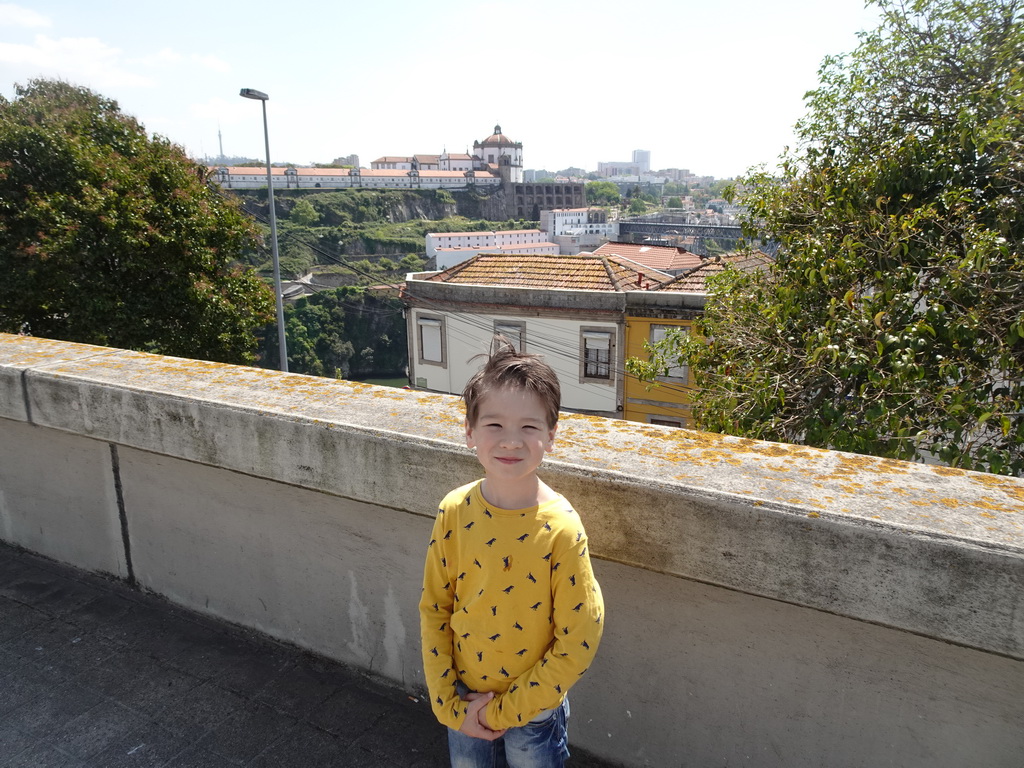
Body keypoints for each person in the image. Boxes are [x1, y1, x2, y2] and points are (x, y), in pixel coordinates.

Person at [420, 341, 604, 768]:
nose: (510, 441)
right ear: (469, 431)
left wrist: (502, 712)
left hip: (534, 714)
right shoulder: (453, 511)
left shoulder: (561, 528)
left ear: (551, 436)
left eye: (529, 427)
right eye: (494, 425)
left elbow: (580, 637)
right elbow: (434, 608)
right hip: (464, 701)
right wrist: (450, 706)